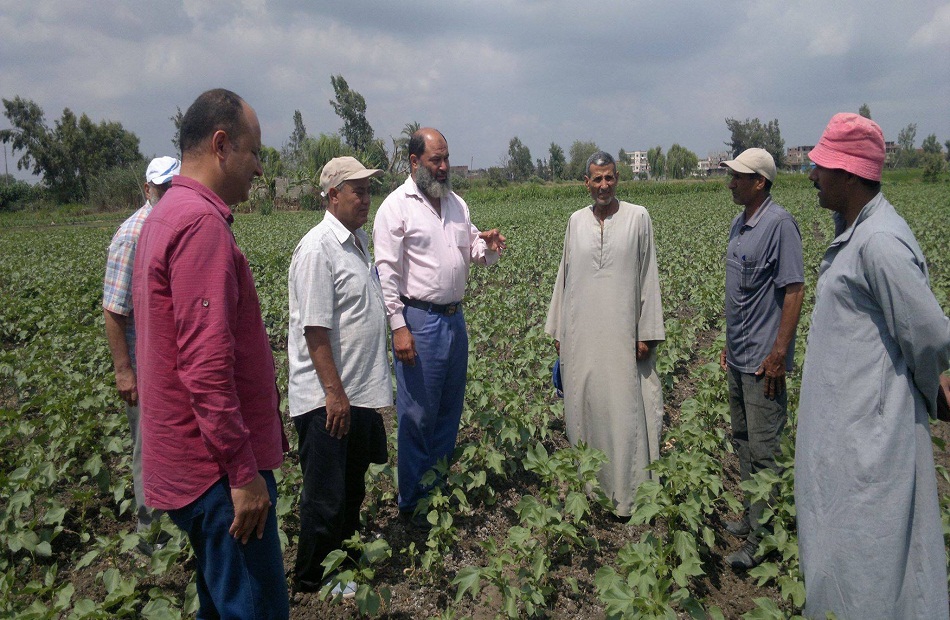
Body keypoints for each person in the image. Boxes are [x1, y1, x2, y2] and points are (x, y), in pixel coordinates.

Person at [131, 89, 289, 618]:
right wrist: (243, 474)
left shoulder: (165, 214)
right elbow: (205, 369)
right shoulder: (200, 226)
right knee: (253, 607)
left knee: (220, 604)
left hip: (189, 466)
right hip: (217, 472)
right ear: (222, 146)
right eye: (254, 152)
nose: (260, 169)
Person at [795, 113, 950, 619]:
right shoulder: (858, 233)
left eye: (821, 167)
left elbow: (927, 334)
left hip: (870, 436)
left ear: (849, 174)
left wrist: (933, 390)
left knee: (868, 551)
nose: (813, 176)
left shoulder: (879, 242)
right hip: (849, 428)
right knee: (843, 540)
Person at [373, 128, 505, 527]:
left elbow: (472, 250)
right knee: (416, 415)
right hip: (419, 320)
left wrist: (489, 247)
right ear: (414, 163)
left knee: (449, 409)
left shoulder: (457, 204)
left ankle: (438, 488)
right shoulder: (396, 208)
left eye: (446, 158)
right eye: (436, 160)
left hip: (453, 319)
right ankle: (412, 501)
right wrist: (398, 326)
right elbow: (386, 272)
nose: (444, 167)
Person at [287, 157, 391, 595]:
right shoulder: (317, 249)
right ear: (333, 196)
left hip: (358, 392)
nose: (366, 199)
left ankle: (344, 565)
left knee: (351, 488)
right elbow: (314, 328)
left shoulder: (357, 240)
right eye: (358, 191)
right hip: (329, 398)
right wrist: (335, 394)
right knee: (325, 497)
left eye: (369, 191)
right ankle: (313, 579)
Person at [544, 151, 665, 519]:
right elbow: (565, 279)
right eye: (596, 179)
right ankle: (592, 493)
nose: (603, 186)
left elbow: (648, 276)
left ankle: (629, 496)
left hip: (623, 337)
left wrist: (646, 332)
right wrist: (560, 331)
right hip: (582, 339)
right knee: (586, 408)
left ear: (618, 178)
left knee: (625, 411)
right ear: (586, 182)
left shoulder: (638, 218)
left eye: (609, 178)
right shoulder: (575, 222)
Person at [717, 148, 804, 569]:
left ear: (760, 182)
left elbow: (793, 290)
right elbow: (740, 296)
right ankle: (752, 518)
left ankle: (763, 539)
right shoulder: (740, 223)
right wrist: (728, 344)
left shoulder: (779, 225)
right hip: (738, 357)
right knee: (745, 443)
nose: (730, 182)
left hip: (762, 364)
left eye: (738, 176)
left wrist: (778, 354)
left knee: (766, 451)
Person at [103, 155, 180, 555]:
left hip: (169, 362)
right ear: (147, 190)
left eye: (173, 187)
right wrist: (124, 372)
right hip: (141, 362)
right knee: (147, 444)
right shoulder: (132, 235)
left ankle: (177, 523)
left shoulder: (175, 226)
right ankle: (150, 535)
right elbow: (114, 309)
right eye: (161, 188)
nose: (167, 195)